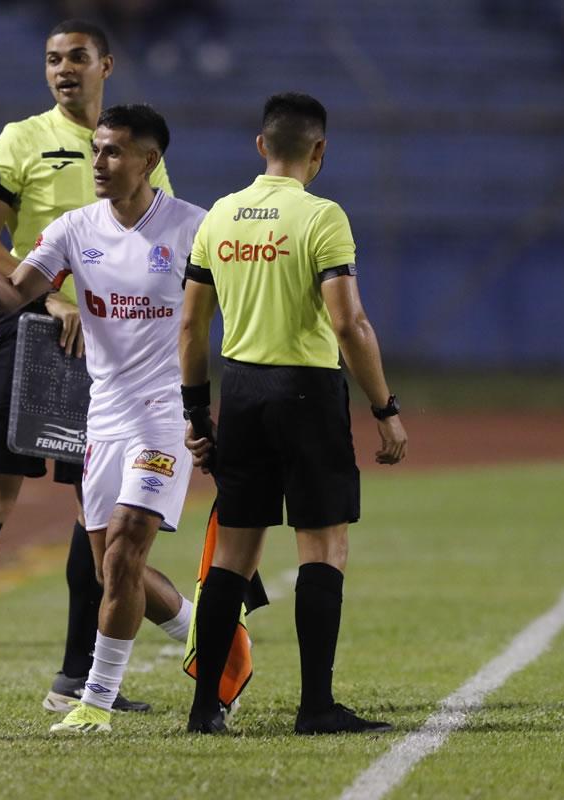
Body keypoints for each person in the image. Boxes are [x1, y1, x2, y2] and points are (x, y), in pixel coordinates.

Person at [0, 19, 190, 715]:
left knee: (89, 509)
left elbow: (154, 242)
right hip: (30, 330)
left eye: (77, 57)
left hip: (109, 353)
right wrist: (58, 302)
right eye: (53, 59)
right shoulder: (20, 140)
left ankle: (75, 678)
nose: (63, 69)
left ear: (106, 65)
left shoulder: (134, 148)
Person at [178, 92, 408, 735]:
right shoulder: (322, 217)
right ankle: (317, 707)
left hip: (242, 392)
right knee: (324, 545)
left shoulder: (219, 216)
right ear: (319, 150)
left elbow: (192, 326)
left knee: (233, 553)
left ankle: (205, 711)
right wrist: (384, 407)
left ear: (261, 146)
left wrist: (198, 414)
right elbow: (348, 322)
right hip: (307, 393)